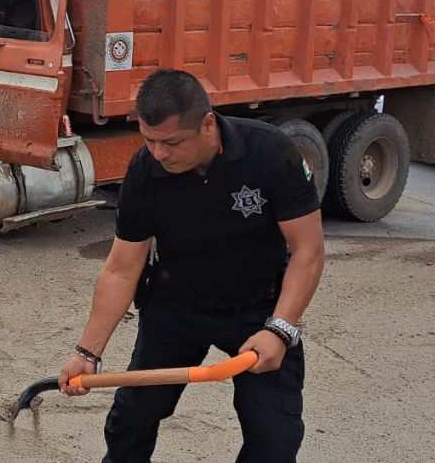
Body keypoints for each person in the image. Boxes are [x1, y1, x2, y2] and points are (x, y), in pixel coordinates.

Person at [59, 69, 325, 463]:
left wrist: (280, 329)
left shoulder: (270, 153)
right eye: (149, 140)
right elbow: (121, 269)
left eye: (171, 142)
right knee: (131, 418)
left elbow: (308, 252)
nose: (159, 153)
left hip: (258, 310)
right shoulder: (145, 172)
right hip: (176, 304)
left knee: (275, 439)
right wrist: (87, 352)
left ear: (207, 124)